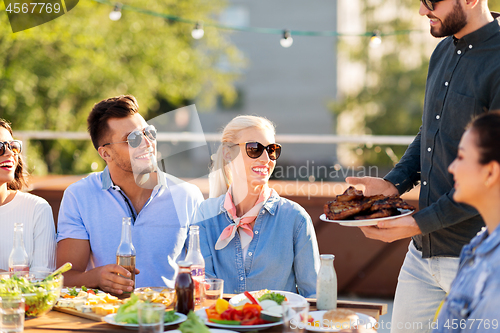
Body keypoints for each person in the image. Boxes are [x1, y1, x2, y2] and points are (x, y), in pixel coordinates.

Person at [347, 1, 500, 332]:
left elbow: (493, 175)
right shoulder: (442, 50)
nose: (421, 11)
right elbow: (431, 130)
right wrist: (394, 184)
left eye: (432, 2)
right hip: (421, 254)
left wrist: (417, 223)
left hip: (475, 255)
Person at [56, 95, 204, 294]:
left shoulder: (188, 196)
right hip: (105, 317)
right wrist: (97, 277)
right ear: (105, 154)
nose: (146, 143)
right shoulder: (79, 196)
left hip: (169, 317)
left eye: (149, 133)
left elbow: (204, 274)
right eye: (132, 139)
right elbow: (64, 278)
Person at [193, 115, 320, 297]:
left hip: (278, 325)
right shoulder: (205, 214)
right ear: (228, 153)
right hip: (221, 324)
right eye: (254, 149)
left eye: (272, 150)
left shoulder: (296, 219)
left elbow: (313, 296)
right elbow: (203, 291)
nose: (266, 158)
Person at [433, 111, 500, 332]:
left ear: (490, 173)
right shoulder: (479, 244)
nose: (452, 167)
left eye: (461, 157)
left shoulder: (494, 268)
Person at [0, 119, 56, 273]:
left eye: (13, 147)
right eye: (0, 148)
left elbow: (42, 280)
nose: (10, 153)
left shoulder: (37, 209)